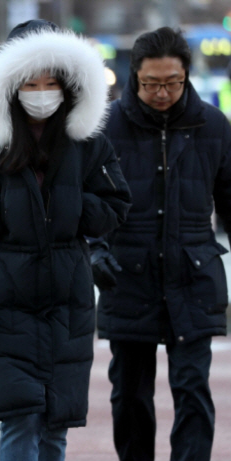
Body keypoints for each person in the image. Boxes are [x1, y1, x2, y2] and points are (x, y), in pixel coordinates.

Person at [0, 19, 131, 461]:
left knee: (55, 425)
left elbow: (117, 202)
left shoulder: (87, 140)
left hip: (69, 301)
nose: (41, 91)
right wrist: (11, 210)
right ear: (10, 84)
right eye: (30, 81)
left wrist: (69, 209)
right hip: (5, 300)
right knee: (20, 420)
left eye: (51, 81)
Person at [90, 27, 231, 461]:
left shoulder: (213, 125)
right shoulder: (106, 125)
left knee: (192, 390)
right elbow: (86, 198)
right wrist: (95, 247)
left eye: (172, 82)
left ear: (186, 75)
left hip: (193, 274)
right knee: (130, 395)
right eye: (152, 83)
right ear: (134, 77)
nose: (163, 92)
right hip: (128, 275)